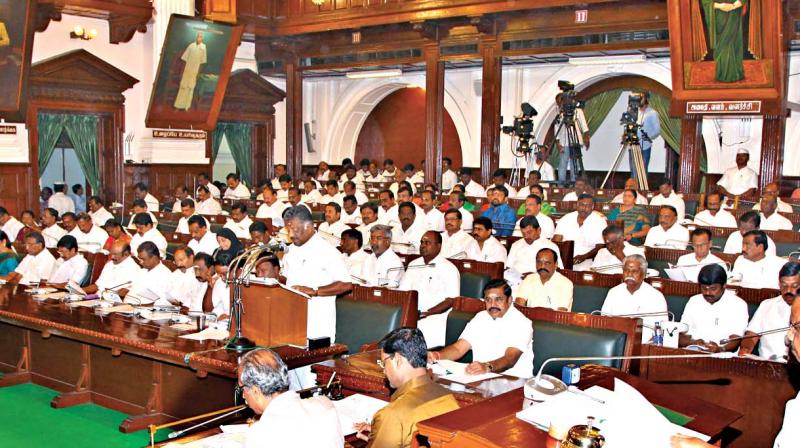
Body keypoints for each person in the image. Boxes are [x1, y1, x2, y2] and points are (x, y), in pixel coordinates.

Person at [281, 206, 352, 387]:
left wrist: (315, 291)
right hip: (292, 325)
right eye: (288, 229)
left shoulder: (327, 252)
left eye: (295, 229)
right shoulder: (291, 251)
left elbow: (345, 284)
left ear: (310, 226)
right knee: (292, 383)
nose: (291, 234)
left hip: (317, 326)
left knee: (311, 384)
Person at [356, 328, 459, 447]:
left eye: (384, 363)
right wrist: (381, 433)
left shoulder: (391, 415)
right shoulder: (448, 397)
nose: (384, 370)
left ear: (398, 360)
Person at [238, 348, 343, 448]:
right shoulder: (325, 404)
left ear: (255, 391)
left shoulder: (258, 436)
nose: (243, 395)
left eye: (242, 388)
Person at [429, 279, 534, 378]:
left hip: (512, 381)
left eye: (498, 299)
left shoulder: (522, 323)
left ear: (510, 300)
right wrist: (437, 355)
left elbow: (510, 359)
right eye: (488, 300)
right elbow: (458, 349)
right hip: (478, 378)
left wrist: (486, 367)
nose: (493, 304)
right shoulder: (481, 317)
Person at [400, 231, 460, 347]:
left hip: (435, 318)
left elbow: (451, 300)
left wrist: (425, 314)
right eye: (422, 242)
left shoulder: (449, 269)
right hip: (411, 314)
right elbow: (403, 292)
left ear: (439, 246)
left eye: (427, 242)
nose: (422, 245)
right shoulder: (413, 264)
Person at [679, 264, 748, 352]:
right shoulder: (694, 301)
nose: (708, 292)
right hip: (694, 353)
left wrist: (720, 349)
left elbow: (735, 339)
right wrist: (693, 342)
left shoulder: (738, 305)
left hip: (723, 357)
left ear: (724, 286)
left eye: (713, 288)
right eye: (704, 288)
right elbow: (681, 334)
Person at [739, 261, 798, 362]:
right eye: (784, 285)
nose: (788, 290)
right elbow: (752, 335)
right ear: (779, 284)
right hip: (767, 366)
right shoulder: (767, 305)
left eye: (794, 286)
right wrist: (746, 349)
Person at [601, 255, 668, 342]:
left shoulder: (656, 297)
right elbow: (604, 322)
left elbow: (661, 331)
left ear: (644, 274)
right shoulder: (613, 292)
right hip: (615, 343)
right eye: (626, 270)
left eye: (634, 271)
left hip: (643, 346)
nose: (629, 274)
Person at [553, 193, 607, 268]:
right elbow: (556, 240)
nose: (584, 208)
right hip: (563, 259)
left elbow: (601, 246)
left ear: (592, 207)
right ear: (577, 205)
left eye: (588, 205)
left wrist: (583, 257)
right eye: (582, 205)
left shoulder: (600, 221)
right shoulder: (566, 218)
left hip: (588, 260)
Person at [506, 216, 562, 286]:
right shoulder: (516, 245)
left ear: (539, 230)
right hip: (515, 283)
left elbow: (557, 271)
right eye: (523, 233)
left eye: (529, 233)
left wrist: (535, 276)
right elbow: (508, 267)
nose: (526, 237)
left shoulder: (551, 246)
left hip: (539, 283)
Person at [554, 92, 590, 185]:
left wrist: (586, 137)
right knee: (562, 165)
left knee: (575, 165)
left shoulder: (577, 111)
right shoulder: (559, 113)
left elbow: (584, 125)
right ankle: (560, 185)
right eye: (557, 102)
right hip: (564, 142)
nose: (559, 104)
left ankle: (574, 185)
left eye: (560, 101)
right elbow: (556, 128)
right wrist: (558, 143)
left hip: (575, 140)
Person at [173, 30, 207, 110]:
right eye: (198, 36)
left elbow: (202, 62)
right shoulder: (191, 46)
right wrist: (181, 72)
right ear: (196, 37)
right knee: (183, 87)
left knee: (191, 88)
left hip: (194, 72)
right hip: (187, 70)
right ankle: (178, 106)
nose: (199, 38)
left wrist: (198, 72)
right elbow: (184, 59)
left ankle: (186, 107)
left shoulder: (203, 47)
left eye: (201, 37)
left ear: (203, 38)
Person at [632, 91, 660, 180]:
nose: (639, 99)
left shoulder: (652, 113)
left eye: (642, 97)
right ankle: (633, 191)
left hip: (645, 146)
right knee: (634, 171)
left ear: (647, 99)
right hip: (633, 145)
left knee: (642, 171)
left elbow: (657, 130)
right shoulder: (634, 111)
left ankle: (642, 191)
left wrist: (648, 136)